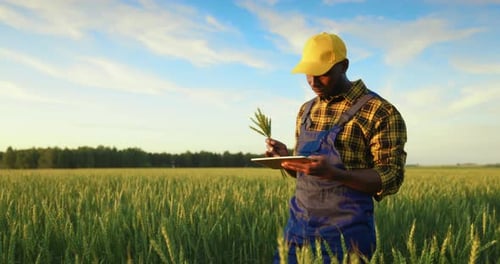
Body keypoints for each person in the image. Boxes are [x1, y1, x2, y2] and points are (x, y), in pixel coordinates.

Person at [266, 32, 407, 263]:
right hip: (297, 232)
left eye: (322, 73)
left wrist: (336, 174)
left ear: (343, 66)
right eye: (308, 73)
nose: (313, 81)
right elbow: (305, 174)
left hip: (346, 237)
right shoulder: (306, 110)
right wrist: (286, 160)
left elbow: (391, 176)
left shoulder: (380, 112)